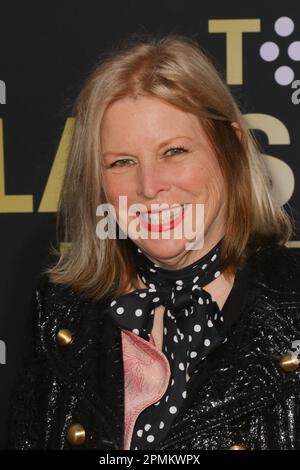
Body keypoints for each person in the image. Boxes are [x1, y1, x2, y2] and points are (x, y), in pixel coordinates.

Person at [9, 34, 300, 450]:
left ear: (231, 149)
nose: (149, 186)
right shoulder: (59, 309)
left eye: (174, 151)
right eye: (121, 162)